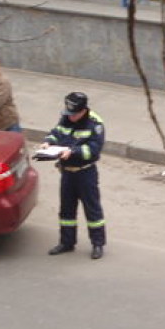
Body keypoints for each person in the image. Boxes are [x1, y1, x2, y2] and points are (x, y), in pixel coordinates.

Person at [41, 92, 106, 260]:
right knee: (66, 210)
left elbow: (93, 149)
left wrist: (73, 151)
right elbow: (57, 132)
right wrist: (48, 141)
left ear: (84, 110)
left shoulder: (95, 123)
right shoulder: (67, 117)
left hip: (85, 172)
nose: (71, 118)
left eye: (75, 114)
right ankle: (67, 242)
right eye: (69, 114)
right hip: (67, 172)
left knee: (92, 210)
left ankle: (97, 244)